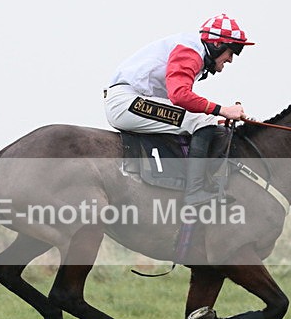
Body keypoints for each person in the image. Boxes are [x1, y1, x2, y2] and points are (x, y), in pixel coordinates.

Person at [104, 13, 254, 205]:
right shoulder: (191, 51)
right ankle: (195, 192)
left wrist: (219, 118)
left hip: (130, 100)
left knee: (206, 120)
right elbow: (179, 95)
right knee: (204, 120)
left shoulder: (193, 49)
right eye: (232, 52)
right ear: (217, 44)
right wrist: (222, 110)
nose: (231, 59)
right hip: (127, 102)